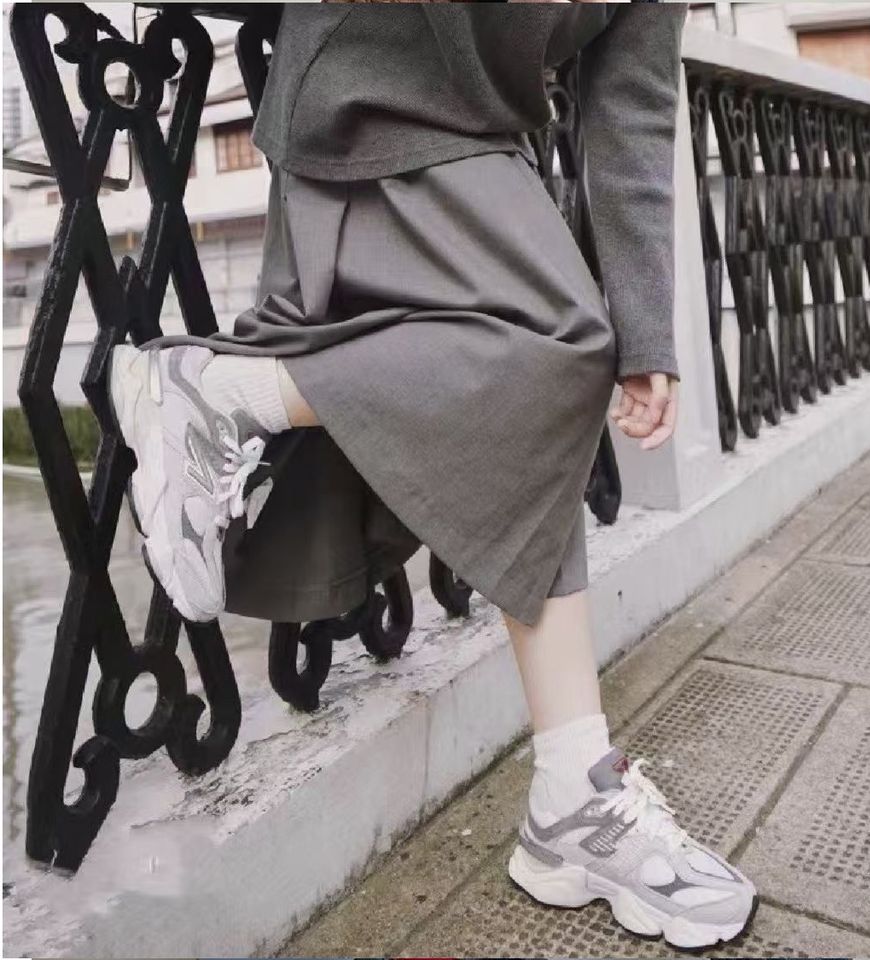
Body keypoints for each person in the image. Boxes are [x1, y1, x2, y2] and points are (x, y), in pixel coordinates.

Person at [107, 1, 756, 948]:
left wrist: (648, 335)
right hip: (364, 94)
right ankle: (219, 394)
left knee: (546, 390)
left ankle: (572, 794)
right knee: (561, 343)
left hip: (480, 145)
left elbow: (634, 99)